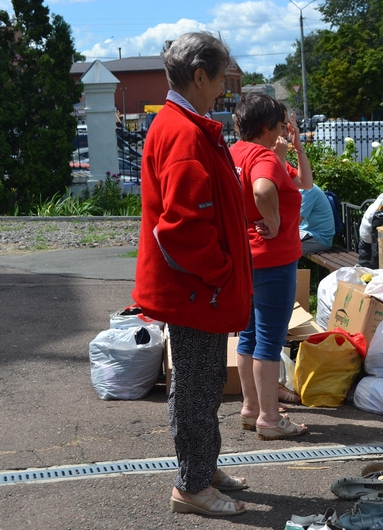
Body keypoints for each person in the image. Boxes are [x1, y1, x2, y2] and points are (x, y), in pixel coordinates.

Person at [133, 32, 253, 517]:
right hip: (196, 289)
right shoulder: (182, 132)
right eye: (222, 76)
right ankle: (192, 485)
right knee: (197, 387)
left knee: (200, 385)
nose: (225, 86)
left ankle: (202, 469)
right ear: (199, 75)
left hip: (195, 288)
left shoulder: (181, 125)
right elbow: (182, 229)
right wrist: (222, 273)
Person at [229, 93, 312, 441]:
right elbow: (263, 189)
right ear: (265, 127)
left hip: (245, 257)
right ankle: (270, 418)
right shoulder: (263, 157)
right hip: (273, 258)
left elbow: (302, 183)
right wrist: (275, 223)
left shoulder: (234, 153)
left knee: (248, 336)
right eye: (279, 125)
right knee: (269, 341)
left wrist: (294, 149)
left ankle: (251, 409)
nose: (282, 131)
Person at [299, 183, 335, 254]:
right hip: (306, 232)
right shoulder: (296, 189)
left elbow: (295, 222)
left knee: (280, 247)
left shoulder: (307, 191)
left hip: (319, 239)